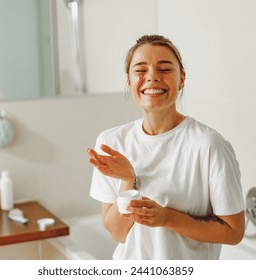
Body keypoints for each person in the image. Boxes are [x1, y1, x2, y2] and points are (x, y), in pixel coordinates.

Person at [87, 34, 245, 260]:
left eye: (164, 69)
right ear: (129, 80)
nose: (152, 77)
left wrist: (167, 218)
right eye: (140, 70)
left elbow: (233, 232)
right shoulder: (111, 143)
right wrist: (127, 182)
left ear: (182, 79)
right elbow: (117, 233)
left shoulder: (209, 145)